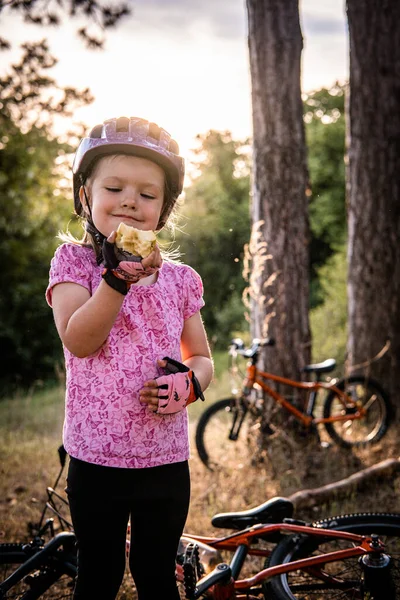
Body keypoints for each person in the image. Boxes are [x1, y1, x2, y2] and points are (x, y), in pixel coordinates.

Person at [45, 116, 214, 600]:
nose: (129, 202)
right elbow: (79, 340)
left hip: (164, 460)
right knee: (99, 574)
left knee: (156, 573)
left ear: (163, 210)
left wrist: (189, 385)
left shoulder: (181, 280)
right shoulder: (73, 264)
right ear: (85, 197)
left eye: (147, 194)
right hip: (96, 457)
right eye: (114, 187)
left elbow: (201, 357)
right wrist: (117, 279)